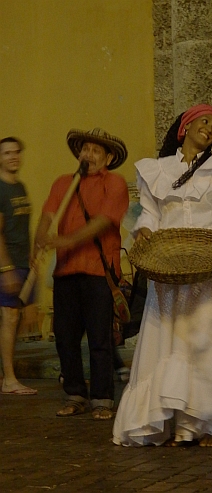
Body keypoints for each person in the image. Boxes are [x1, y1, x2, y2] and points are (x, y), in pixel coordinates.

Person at [113, 103, 212, 447]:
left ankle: (203, 427)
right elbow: (149, 214)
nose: (210, 129)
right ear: (185, 127)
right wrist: (143, 231)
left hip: (209, 269)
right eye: (204, 122)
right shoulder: (156, 169)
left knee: (203, 343)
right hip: (169, 269)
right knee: (169, 342)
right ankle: (171, 423)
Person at [34, 128, 129, 419]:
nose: (88, 155)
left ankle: (102, 400)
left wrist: (68, 240)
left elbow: (102, 221)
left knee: (100, 340)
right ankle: (74, 394)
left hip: (98, 272)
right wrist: (39, 238)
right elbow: (48, 215)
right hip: (65, 272)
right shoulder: (63, 183)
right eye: (85, 149)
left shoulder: (115, 183)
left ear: (108, 157)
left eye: (95, 150)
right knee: (65, 338)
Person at [0, 137, 37, 395]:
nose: (13, 156)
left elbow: (24, 227)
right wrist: (6, 269)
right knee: (9, 319)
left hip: (22, 262)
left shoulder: (20, 187)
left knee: (14, 320)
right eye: (6, 153)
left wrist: (32, 256)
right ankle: (10, 380)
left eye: (16, 152)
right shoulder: (0, 188)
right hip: (7, 264)